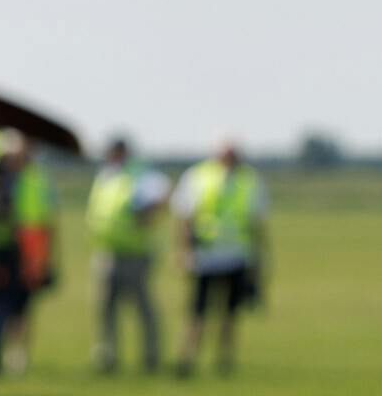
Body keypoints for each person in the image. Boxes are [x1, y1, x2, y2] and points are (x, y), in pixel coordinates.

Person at [171, 140, 268, 376]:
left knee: (230, 313)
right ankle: (188, 357)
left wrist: (258, 259)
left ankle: (224, 360)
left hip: (236, 255)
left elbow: (257, 224)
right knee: (197, 312)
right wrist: (184, 252)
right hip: (206, 255)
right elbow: (185, 218)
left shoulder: (249, 180)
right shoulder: (198, 177)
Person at [0, 129, 58, 376]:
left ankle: (3, 355)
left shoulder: (29, 179)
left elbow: (44, 221)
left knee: (16, 306)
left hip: (21, 252)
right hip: (0, 251)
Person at [87, 136, 169, 373]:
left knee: (142, 307)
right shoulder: (105, 175)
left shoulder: (141, 174)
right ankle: (107, 357)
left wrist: (145, 217)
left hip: (135, 252)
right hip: (106, 250)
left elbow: (162, 195)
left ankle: (151, 357)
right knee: (104, 308)